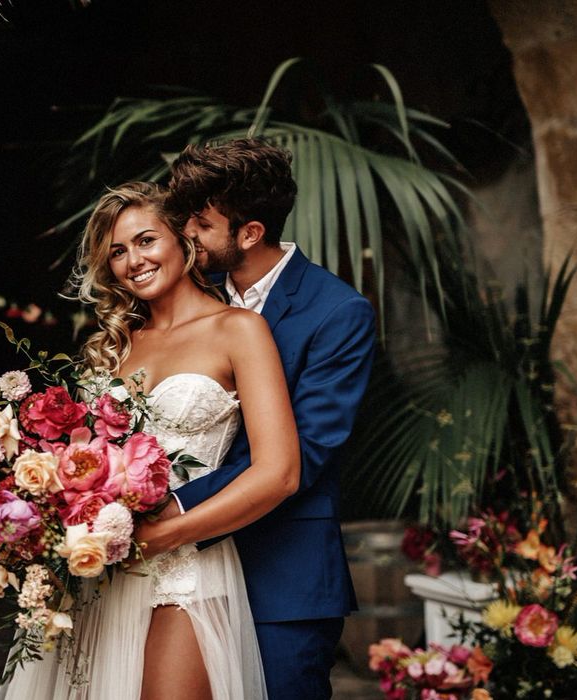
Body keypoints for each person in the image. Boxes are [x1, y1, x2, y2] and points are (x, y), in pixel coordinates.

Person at [0, 181, 299, 700]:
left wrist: (162, 537)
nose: (132, 260)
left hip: (186, 565)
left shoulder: (240, 330)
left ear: (184, 239)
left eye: (145, 240)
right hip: (100, 570)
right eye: (117, 251)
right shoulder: (112, 348)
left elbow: (279, 473)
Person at [136, 138, 376, 699]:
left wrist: (168, 504)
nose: (183, 237)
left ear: (250, 233)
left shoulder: (337, 313)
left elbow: (307, 453)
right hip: (178, 582)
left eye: (198, 224)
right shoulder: (189, 295)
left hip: (281, 571)